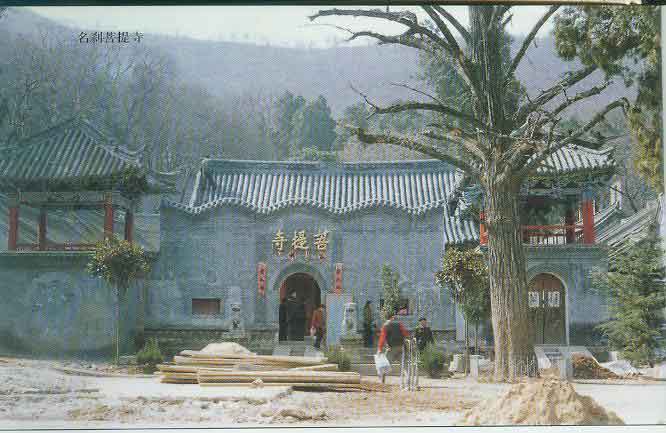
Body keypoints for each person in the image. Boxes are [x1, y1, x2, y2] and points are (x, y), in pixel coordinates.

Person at [377, 311, 410, 383]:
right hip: (401, 347)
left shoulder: (385, 325)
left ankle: (382, 379)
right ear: (392, 317)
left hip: (392, 348)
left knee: (385, 364)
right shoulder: (399, 324)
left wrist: (379, 349)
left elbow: (382, 338)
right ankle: (408, 378)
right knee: (404, 364)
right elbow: (405, 334)